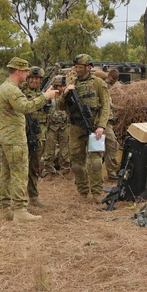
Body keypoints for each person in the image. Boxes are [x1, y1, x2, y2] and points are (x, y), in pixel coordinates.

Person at [0, 57, 59, 222]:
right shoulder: (12, 90)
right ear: (18, 72)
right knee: (19, 174)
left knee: (6, 174)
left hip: (5, 138)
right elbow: (26, 107)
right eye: (25, 72)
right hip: (14, 139)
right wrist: (46, 96)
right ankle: (20, 211)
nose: (28, 74)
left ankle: (3, 210)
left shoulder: (3, 87)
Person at [58, 53, 111, 203]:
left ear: (89, 67)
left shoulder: (99, 83)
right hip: (75, 128)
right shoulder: (72, 83)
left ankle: (97, 193)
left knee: (95, 162)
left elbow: (105, 107)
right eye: (76, 67)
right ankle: (82, 191)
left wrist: (101, 126)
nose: (77, 69)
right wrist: (65, 93)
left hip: (94, 127)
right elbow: (60, 106)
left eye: (80, 67)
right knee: (76, 163)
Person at [20, 66, 49, 207]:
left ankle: (33, 196)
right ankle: (18, 198)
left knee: (34, 167)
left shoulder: (45, 96)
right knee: (21, 167)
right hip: (23, 135)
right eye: (31, 78)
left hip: (39, 137)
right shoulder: (20, 93)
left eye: (37, 79)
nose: (34, 81)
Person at [41, 67, 71, 177]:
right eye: (59, 86)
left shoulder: (67, 96)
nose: (62, 88)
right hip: (51, 126)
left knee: (65, 151)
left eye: (63, 86)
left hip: (64, 126)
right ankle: (49, 170)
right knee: (49, 150)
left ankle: (66, 170)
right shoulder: (49, 95)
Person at [103, 67, 121, 181]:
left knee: (111, 146)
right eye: (111, 78)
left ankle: (111, 172)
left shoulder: (114, 88)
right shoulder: (103, 88)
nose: (112, 80)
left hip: (107, 121)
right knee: (112, 144)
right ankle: (111, 172)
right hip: (102, 122)